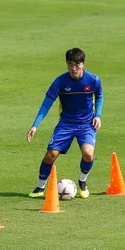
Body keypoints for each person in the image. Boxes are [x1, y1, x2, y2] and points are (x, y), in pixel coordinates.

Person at [26, 48, 103, 199]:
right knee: (50, 155)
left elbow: (99, 95)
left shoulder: (93, 80)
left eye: (77, 64)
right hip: (66, 123)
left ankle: (82, 182)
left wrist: (98, 115)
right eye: (70, 64)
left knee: (88, 153)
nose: (73, 68)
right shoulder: (60, 81)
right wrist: (35, 125)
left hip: (87, 124)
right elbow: (46, 104)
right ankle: (40, 187)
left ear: (83, 64)